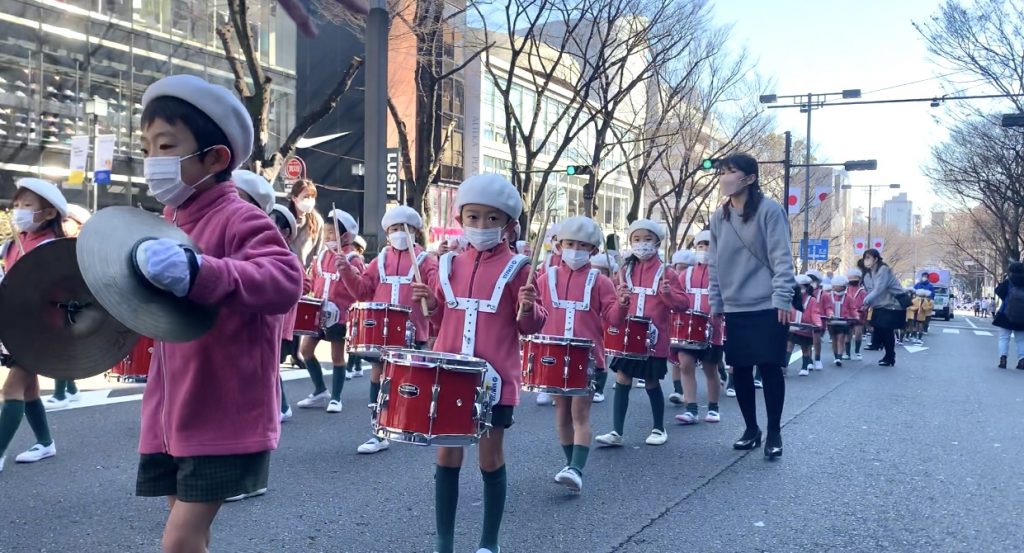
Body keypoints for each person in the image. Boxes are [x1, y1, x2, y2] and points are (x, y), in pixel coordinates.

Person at [132, 74, 304, 551]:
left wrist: (200, 272)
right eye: (147, 148)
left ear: (215, 158)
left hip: (223, 413)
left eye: (165, 147)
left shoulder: (239, 216)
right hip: (171, 414)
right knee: (192, 538)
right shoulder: (167, 222)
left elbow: (285, 281)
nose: (152, 162)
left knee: (179, 542)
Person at [409, 173, 546, 553]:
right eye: (473, 217)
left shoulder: (521, 268)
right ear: (460, 219)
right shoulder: (448, 263)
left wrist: (530, 309)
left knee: (489, 458)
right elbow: (439, 320)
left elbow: (530, 326)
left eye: (492, 218)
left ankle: (489, 542)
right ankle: (444, 542)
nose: (481, 225)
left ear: (508, 224)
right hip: (450, 375)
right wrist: (431, 304)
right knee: (447, 454)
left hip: (496, 379)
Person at [706, 153, 795, 460]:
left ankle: (774, 432)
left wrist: (783, 296)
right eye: (723, 172)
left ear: (750, 178)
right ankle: (751, 429)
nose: (725, 177)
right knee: (739, 369)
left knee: (770, 367)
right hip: (735, 306)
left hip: (768, 303)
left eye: (732, 172)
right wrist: (715, 301)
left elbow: (782, 256)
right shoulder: (720, 217)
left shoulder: (770, 211)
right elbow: (714, 264)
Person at [534, 216, 629, 492]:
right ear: (559, 245)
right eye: (570, 244)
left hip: (586, 356)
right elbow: (535, 317)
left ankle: (575, 467)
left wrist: (623, 305)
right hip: (553, 354)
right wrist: (526, 305)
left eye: (583, 245)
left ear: (594, 251)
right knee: (561, 413)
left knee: (580, 412)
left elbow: (613, 319)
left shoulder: (601, 282)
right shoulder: (544, 278)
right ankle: (572, 464)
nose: (575, 250)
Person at [338, 205, 439, 454]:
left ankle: (410, 423)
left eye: (404, 228)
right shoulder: (379, 259)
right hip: (382, 333)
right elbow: (363, 291)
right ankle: (377, 430)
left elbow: (437, 291)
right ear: (387, 233)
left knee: (409, 379)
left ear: (415, 231)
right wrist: (347, 273)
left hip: (413, 330)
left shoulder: (426, 260)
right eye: (394, 229)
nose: (399, 233)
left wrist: (430, 294)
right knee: (378, 374)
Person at [594, 218, 688, 448]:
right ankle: (616, 430)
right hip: (627, 335)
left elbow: (683, 304)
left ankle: (659, 427)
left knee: (651, 381)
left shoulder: (667, 272)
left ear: (657, 242)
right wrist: (620, 295)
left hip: (654, 338)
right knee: (622, 377)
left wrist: (668, 295)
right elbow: (614, 301)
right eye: (636, 239)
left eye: (647, 239)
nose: (642, 244)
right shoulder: (625, 270)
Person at [0, 178, 68, 473]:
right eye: (17, 205)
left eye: (27, 206)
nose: (19, 211)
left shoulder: (54, 247)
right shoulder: (10, 245)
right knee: (28, 391)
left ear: (49, 213)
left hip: (42, 329)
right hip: (15, 325)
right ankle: (45, 442)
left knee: (11, 388)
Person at [295, 209, 363, 412]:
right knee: (305, 350)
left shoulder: (353, 258)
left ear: (345, 236)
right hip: (318, 312)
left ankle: (336, 398)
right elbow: (314, 279)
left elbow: (360, 285)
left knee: (337, 356)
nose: (328, 236)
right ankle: (319, 390)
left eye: (332, 232)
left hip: (340, 316)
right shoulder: (323, 254)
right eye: (326, 232)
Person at [673, 230, 726, 424]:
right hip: (686, 328)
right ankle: (691, 408)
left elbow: (729, 299)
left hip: (712, 330)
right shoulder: (685, 275)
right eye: (700, 246)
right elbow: (677, 297)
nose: (704, 250)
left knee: (710, 369)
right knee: (685, 365)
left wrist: (720, 311)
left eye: (708, 245)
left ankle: (713, 408)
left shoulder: (722, 274)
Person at [45, 203, 91, 409]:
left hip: (74, 303)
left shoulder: (82, 246)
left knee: (59, 347)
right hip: (59, 301)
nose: (62, 224)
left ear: (79, 225)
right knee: (58, 346)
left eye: (66, 221)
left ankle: (60, 394)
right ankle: (71, 389)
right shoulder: (59, 243)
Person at [860, 249, 904, 367]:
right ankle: (884, 350)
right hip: (879, 305)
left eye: (869, 257)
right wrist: (867, 304)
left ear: (876, 259)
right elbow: (870, 290)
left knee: (887, 331)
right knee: (880, 330)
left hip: (892, 304)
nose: (867, 260)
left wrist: (865, 301)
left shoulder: (883, 270)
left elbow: (879, 288)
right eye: (865, 258)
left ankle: (890, 356)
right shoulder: (868, 273)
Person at [589, 252, 620, 403]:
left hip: (606, 322)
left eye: (602, 271)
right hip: (591, 324)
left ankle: (599, 388)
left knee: (602, 355)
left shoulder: (610, 284)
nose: (598, 273)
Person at [788, 275, 822, 376]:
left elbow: (815, 313)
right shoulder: (790, 298)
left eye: (802, 287)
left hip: (805, 327)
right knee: (788, 346)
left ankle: (804, 367)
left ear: (807, 288)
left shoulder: (812, 300)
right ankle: (784, 366)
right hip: (792, 327)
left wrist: (817, 323)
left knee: (805, 348)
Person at [286, 179, 325, 269]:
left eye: (312, 197)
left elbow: (320, 250)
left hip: (307, 274)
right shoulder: (285, 218)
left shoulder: (317, 221)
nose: (310, 201)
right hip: (285, 270)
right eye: (306, 197)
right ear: (294, 198)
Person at [994, 263, 1024, 369]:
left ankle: (1003, 359)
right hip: (1022, 316)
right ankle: (1022, 360)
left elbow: (998, 291)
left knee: (1004, 338)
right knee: (1021, 340)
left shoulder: (1008, 281)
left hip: (1006, 314)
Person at [823, 275, 855, 365]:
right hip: (831, 322)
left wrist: (854, 316)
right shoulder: (828, 296)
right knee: (834, 340)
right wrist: (829, 314)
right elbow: (827, 307)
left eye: (836, 285)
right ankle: (836, 356)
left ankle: (839, 357)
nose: (833, 287)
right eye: (833, 285)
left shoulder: (848, 297)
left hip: (843, 322)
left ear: (842, 287)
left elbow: (852, 308)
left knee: (840, 339)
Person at [845, 268, 867, 360]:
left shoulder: (862, 291)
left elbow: (866, 303)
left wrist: (863, 308)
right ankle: (847, 353)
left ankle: (857, 352)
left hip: (859, 315)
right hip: (848, 315)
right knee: (848, 334)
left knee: (858, 333)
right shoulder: (846, 290)